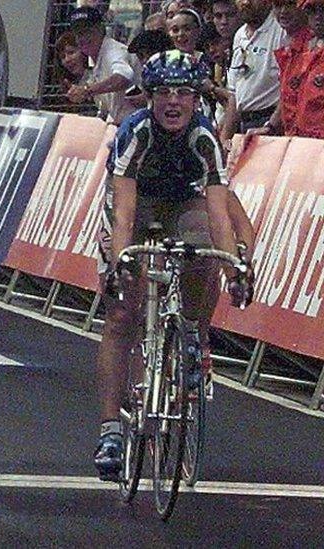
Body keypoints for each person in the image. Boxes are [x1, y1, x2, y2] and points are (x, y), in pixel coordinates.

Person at [92, 51, 252, 481]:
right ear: (150, 97)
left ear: (197, 98)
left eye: (183, 92)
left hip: (185, 201)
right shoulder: (135, 130)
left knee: (204, 253)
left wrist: (234, 266)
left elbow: (220, 215)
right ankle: (110, 430)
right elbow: (124, 214)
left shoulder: (204, 137)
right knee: (122, 311)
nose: (173, 101)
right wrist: (119, 262)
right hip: (135, 203)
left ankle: (196, 337)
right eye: (163, 92)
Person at [247, 0, 324, 138]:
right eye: (312, 10)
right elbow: (288, 97)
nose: (318, 16)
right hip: (298, 144)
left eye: (323, 9)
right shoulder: (294, 52)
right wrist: (270, 126)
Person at [219, 0, 287, 150]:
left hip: (271, 125)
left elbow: (291, 89)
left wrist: (271, 126)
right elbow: (234, 94)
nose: (245, 2)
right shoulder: (239, 35)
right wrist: (224, 138)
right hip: (244, 126)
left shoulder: (281, 31)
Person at [66, 6, 138, 123]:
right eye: (78, 33)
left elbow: (124, 77)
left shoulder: (113, 51)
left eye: (87, 31)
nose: (82, 37)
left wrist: (86, 91)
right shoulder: (93, 59)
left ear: (101, 28)